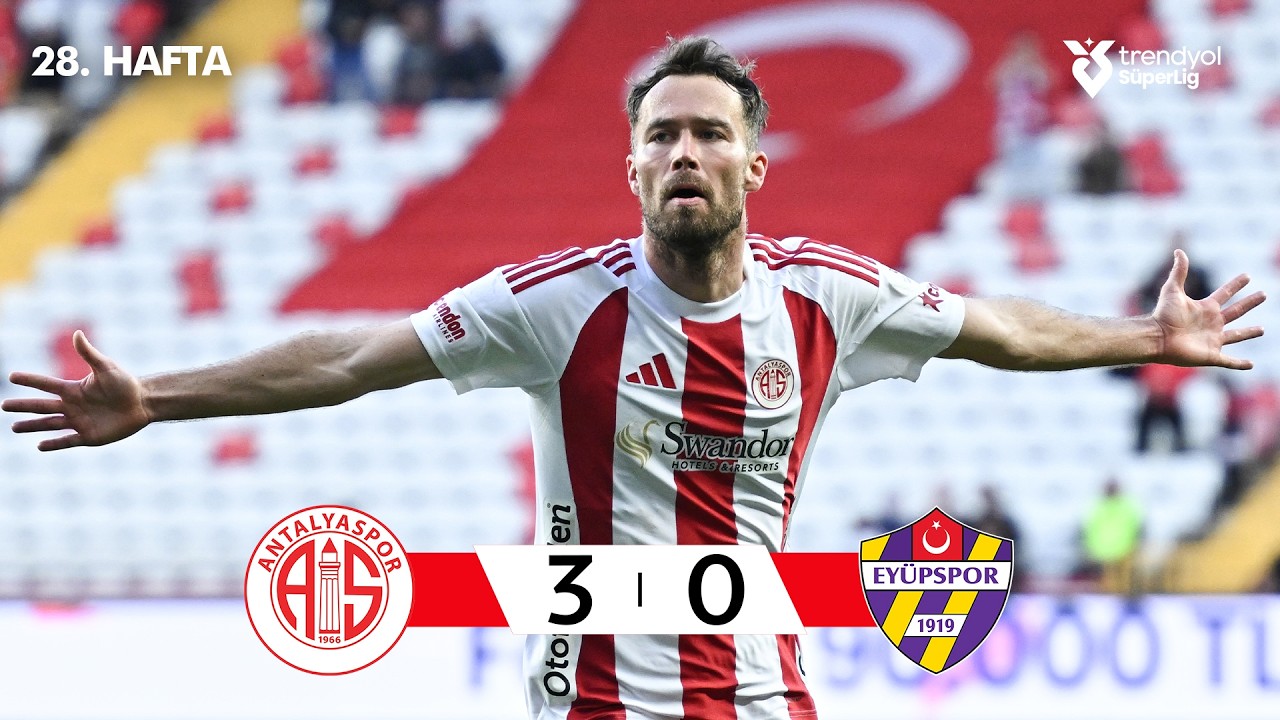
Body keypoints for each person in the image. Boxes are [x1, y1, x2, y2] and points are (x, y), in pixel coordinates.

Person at [1, 36, 1266, 720]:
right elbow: (347, 356)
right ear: (630, 167)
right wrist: (159, 396)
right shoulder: (556, 304)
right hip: (596, 705)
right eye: (661, 135)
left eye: (709, 133)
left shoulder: (827, 297)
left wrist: (1141, 338)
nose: (683, 154)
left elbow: (1001, 330)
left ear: (753, 167)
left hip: (765, 698)